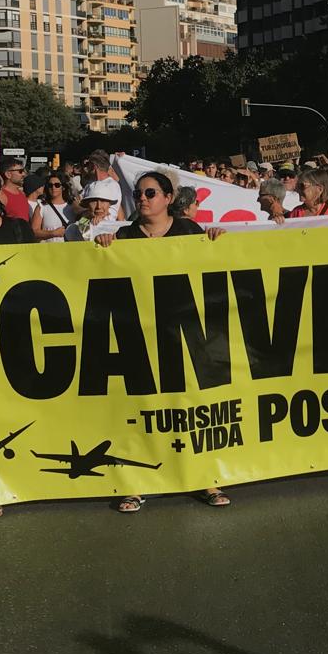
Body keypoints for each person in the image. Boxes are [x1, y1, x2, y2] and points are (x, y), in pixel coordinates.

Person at [112, 169, 228, 513]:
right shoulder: (124, 235)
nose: (143, 199)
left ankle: (206, 477)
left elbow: (210, 269)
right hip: (141, 336)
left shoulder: (189, 231)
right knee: (142, 410)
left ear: (168, 199)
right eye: (139, 193)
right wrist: (105, 250)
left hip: (186, 335)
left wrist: (216, 240)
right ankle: (136, 482)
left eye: (150, 193)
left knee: (192, 406)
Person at [69, 179, 121, 244]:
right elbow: (83, 233)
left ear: (109, 204)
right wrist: (88, 219)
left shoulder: (121, 228)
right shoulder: (75, 228)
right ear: (87, 204)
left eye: (103, 201)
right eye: (94, 201)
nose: (98, 206)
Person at [32, 172, 76, 242]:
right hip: (49, 250)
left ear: (63, 187)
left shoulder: (72, 206)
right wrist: (53, 233)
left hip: (69, 250)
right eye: (50, 185)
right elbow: (34, 232)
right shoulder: (41, 206)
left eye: (57, 185)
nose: (53, 187)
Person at [0, 156, 31, 221]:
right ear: (8, 174)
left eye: (24, 171)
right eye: (20, 171)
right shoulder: (1, 195)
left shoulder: (22, 193)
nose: (24, 174)